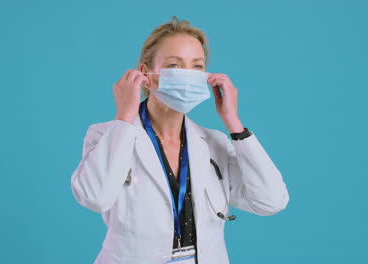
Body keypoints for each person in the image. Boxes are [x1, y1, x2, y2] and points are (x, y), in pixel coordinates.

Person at [70, 16, 289, 264]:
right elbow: (95, 197)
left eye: (197, 66)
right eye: (174, 65)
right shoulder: (107, 134)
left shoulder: (213, 142)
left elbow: (271, 201)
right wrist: (124, 118)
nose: (188, 74)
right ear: (146, 74)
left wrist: (233, 123)